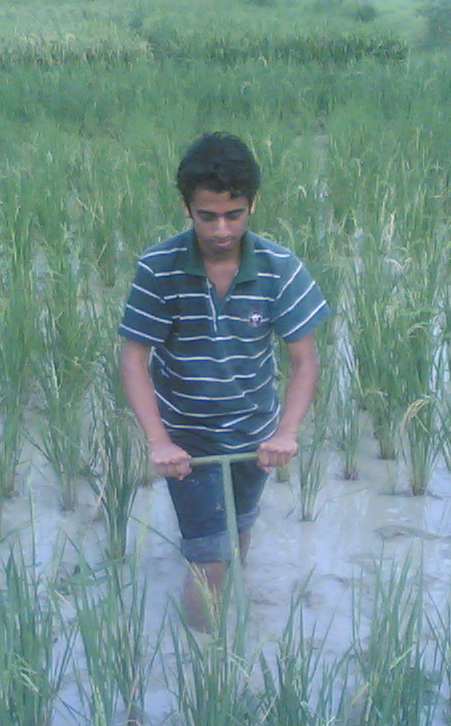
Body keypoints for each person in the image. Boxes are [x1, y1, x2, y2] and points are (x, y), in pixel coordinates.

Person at [118, 132, 327, 631]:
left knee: (239, 532)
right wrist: (159, 441)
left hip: (255, 435)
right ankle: (204, 662)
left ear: (252, 204)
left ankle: (226, 624)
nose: (220, 229)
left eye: (233, 215)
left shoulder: (278, 267)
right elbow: (133, 360)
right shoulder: (159, 268)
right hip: (188, 442)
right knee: (209, 559)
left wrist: (286, 432)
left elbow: (305, 362)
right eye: (206, 215)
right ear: (186, 207)